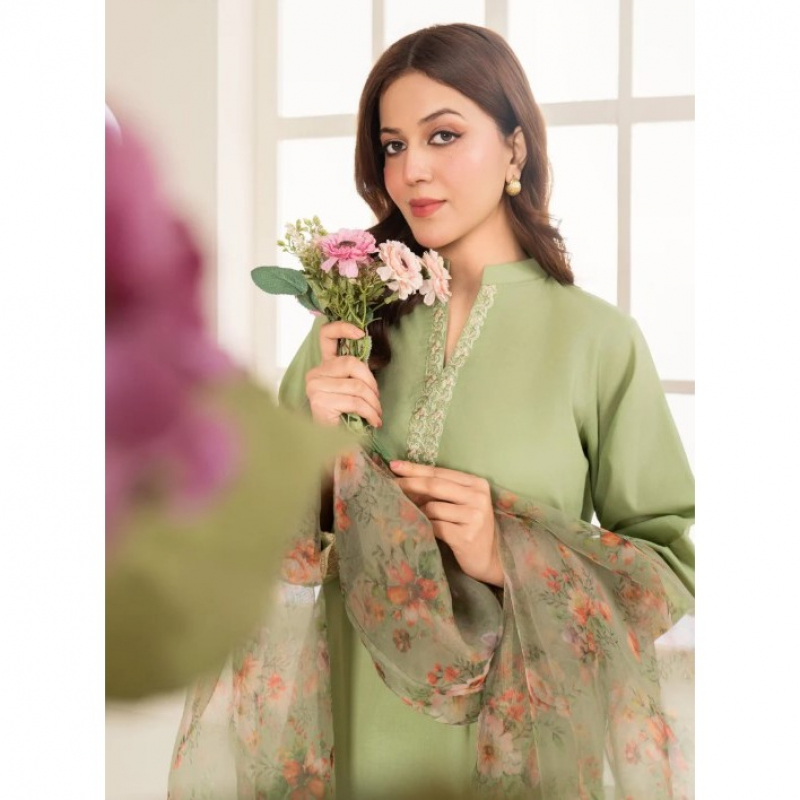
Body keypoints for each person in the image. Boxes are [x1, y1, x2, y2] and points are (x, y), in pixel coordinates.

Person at [169, 23, 694, 799]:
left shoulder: (598, 341)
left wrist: (506, 555)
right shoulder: (346, 327)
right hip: (348, 742)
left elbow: (666, 576)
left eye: (442, 135)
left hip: (517, 755)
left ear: (515, 150)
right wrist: (317, 459)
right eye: (392, 145)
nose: (412, 168)